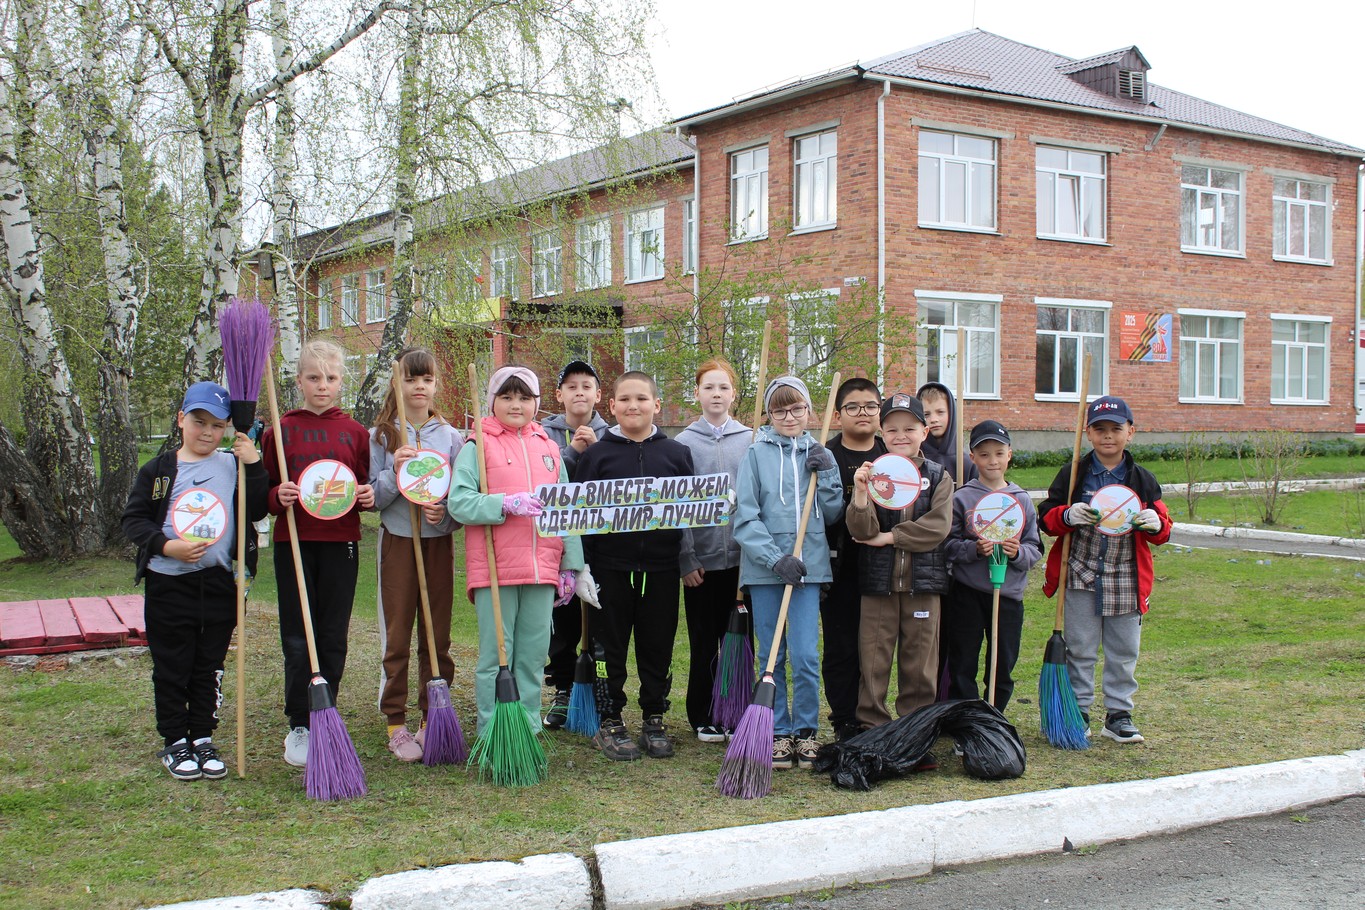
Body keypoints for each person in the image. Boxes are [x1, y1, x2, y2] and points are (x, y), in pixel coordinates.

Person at [123, 382, 268, 780]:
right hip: (168, 584)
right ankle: (175, 740)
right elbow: (134, 519)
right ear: (180, 420)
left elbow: (258, 508)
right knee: (173, 666)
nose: (207, 432)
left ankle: (202, 736)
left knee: (209, 665)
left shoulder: (232, 465)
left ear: (226, 428)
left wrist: (254, 464)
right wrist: (167, 546)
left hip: (220, 584)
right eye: (199, 422)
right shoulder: (159, 470)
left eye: (217, 425)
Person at [448, 366, 584, 734]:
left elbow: (566, 510)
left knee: (533, 655)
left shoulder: (549, 448)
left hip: (541, 569)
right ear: (492, 401)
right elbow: (459, 502)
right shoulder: (477, 446)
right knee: (498, 655)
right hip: (497, 570)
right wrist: (504, 504)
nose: (515, 404)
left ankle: (526, 731)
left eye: (524, 397)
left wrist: (571, 565)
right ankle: (492, 732)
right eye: (506, 397)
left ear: (536, 403)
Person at [262, 340, 375, 768]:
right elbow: (263, 491)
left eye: (330, 377)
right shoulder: (280, 430)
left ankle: (326, 710)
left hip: (340, 543)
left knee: (332, 632)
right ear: (299, 381)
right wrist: (276, 495)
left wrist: (366, 496)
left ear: (341, 381)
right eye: (313, 377)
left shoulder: (355, 433)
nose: (322, 385)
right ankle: (299, 722)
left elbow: (362, 483)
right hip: (294, 542)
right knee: (297, 632)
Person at [574, 370, 696, 761]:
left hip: (661, 569)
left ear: (656, 405)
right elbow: (580, 517)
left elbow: (689, 513)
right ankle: (609, 719)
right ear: (611, 406)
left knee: (657, 645)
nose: (633, 406)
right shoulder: (597, 456)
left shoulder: (676, 453)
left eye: (641, 398)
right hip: (609, 570)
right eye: (625, 399)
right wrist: (582, 568)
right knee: (609, 647)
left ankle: (654, 717)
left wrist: (686, 558)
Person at [1038, 396, 1172, 744]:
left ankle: (1118, 714)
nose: (1108, 436)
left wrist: (1155, 523)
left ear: (1131, 432)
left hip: (1126, 576)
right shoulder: (1073, 474)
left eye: (1116, 429)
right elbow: (1047, 519)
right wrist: (1067, 515)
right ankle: (1079, 710)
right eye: (1100, 429)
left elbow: (1163, 530)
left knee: (1124, 649)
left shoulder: (1141, 479)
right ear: (1088, 433)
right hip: (1081, 573)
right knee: (1080, 647)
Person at [733, 376, 843, 771]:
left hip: (808, 570)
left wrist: (827, 475)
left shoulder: (819, 452)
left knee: (806, 654)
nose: (789, 417)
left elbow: (833, 513)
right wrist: (774, 558)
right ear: (769, 414)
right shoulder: (755, 454)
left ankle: (806, 730)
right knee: (771, 654)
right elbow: (745, 517)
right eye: (780, 410)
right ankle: (778, 730)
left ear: (809, 410)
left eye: (797, 408)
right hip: (766, 571)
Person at [369, 347, 463, 762]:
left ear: (436, 384)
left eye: (426, 379)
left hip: (436, 543)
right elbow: (371, 498)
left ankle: (432, 716)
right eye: (410, 379)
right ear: (397, 383)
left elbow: (460, 496)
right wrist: (395, 471)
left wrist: (445, 514)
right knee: (397, 633)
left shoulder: (451, 437)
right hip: (398, 541)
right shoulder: (382, 436)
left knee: (436, 634)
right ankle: (395, 720)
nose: (419, 387)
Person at [846, 392, 953, 741]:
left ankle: (915, 733)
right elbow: (862, 531)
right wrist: (861, 493)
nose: (901, 435)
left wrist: (890, 538)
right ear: (882, 433)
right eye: (892, 429)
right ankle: (872, 729)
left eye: (910, 428)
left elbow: (937, 528)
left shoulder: (938, 476)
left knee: (920, 664)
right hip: (879, 586)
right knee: (873, 661)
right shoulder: (873, 474)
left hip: (923, 585)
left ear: (924, 431)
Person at [675, 359, 751, 743]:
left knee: (738, 640)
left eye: (723, 387)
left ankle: (735, 710)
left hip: (743, 562)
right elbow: (676, 507)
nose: (716, 394)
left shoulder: (751, 440)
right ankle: (703, 713)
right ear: (697, 393)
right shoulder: (682, 444)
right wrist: (686, 557)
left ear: (733, 393)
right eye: (708, 387)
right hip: (702, 564)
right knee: (704, 641)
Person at [943, 420, 1043, 712]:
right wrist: (973, 549)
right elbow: (947, 545)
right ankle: (967, 717)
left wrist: (1017, 553)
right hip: (967, 594)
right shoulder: (962, 498)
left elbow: (1035, 548)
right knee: (963, 659)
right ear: (972, 457)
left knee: (1002, 661)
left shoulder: (1021, 500)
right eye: (984, 454)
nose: (992, 461)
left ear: (1009, 454)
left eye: (999, 453)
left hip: (1008, 596)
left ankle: (994, 715)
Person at [540, 360, 609, 730]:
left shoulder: (611, 434)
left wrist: (596, 452)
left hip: (601, 545)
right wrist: (570, 452)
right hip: (559, 545)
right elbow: (541, 482)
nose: (579, 392)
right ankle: (564, 689)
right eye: (571, 386)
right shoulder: (543, 435)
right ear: (559, 395)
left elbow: (618, 482)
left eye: (586, 386)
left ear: (598, 395)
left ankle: (597, 690)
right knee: (563, 622)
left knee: (600, 622)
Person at [822, 376, 885, 742]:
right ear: (838, 414)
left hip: (883, 567)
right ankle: (844, 719)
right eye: (853, 407)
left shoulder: (892, 456)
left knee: (876, 648)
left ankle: (871, 716)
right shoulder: (825, 455)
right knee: (841, 646)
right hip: (838, 568)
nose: (863, 412)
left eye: (871, 406)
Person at [916, 382, 977, 484]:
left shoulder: (967, 463)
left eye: (940, 412)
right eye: (926, 414)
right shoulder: (914, 461)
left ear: (951, 413)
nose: (933, 419)